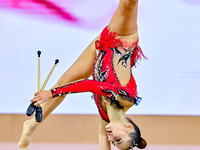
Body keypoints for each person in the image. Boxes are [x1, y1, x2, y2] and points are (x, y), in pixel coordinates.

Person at [18, 0, 147, 149]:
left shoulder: (107, 118)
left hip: (101, 49)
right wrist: (51, 93)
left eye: (113, 143)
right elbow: (91, 85)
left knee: (64, 81)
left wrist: (54, 92)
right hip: (121, 38)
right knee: (129, 3)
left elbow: (103, 141)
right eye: (118, 140)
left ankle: (31, 125)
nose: (111, 139)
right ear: (128, 127)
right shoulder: (126, 98)